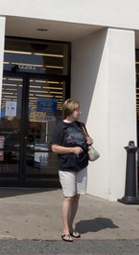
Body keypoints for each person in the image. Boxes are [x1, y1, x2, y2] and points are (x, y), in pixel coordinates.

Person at [51, 98, 94, 242]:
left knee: (77, 196)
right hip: (67, 166)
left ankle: (71, 226)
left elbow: (85, 142)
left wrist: (89, 141)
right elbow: (54, 147)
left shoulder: (81, 125)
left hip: (81, 165)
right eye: (77, 110)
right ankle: (65, 230)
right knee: (68, 197)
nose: (79, 112)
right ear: (69, 111)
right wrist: (71, 149)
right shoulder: (60, 127)